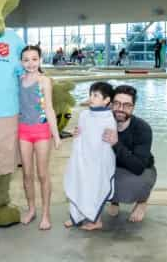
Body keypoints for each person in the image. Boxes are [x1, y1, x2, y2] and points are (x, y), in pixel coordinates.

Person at [18, 45, 61, 230]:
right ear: (21, 62)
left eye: (34, 59)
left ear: (40, 60)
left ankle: (45, 214)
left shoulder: (44, 81)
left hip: (42, 132)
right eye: (26, 60)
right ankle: (31, 209)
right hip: (23, 132)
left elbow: (49, 108)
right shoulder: (18, 80)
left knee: (42, 174)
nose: (30, 63)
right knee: (27, 174)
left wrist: (56, 135)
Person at [64, 82, 116, 231]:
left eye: (96, 95)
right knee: (79, 183)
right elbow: (80, 135)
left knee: (95, 188)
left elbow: (107, 143)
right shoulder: (84, 115)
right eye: (91, 94)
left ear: (106, 100)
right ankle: (76, 217)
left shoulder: (108, 118)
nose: (91, 98)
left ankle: (96, 220)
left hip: (98, 161)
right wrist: (76, 136)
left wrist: (97, 160)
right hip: (83, 158)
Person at [102, 85, 156, 223]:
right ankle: (115, 201)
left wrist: (115, 144)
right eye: (117, 104)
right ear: (111, 104)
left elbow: (138, 167)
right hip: (114, 167)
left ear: (133, 108)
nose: (120, 109)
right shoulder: (103, 123)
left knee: (136, 183)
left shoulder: (142, 129)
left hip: (141, 170)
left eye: (127, 105)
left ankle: (142, 201)